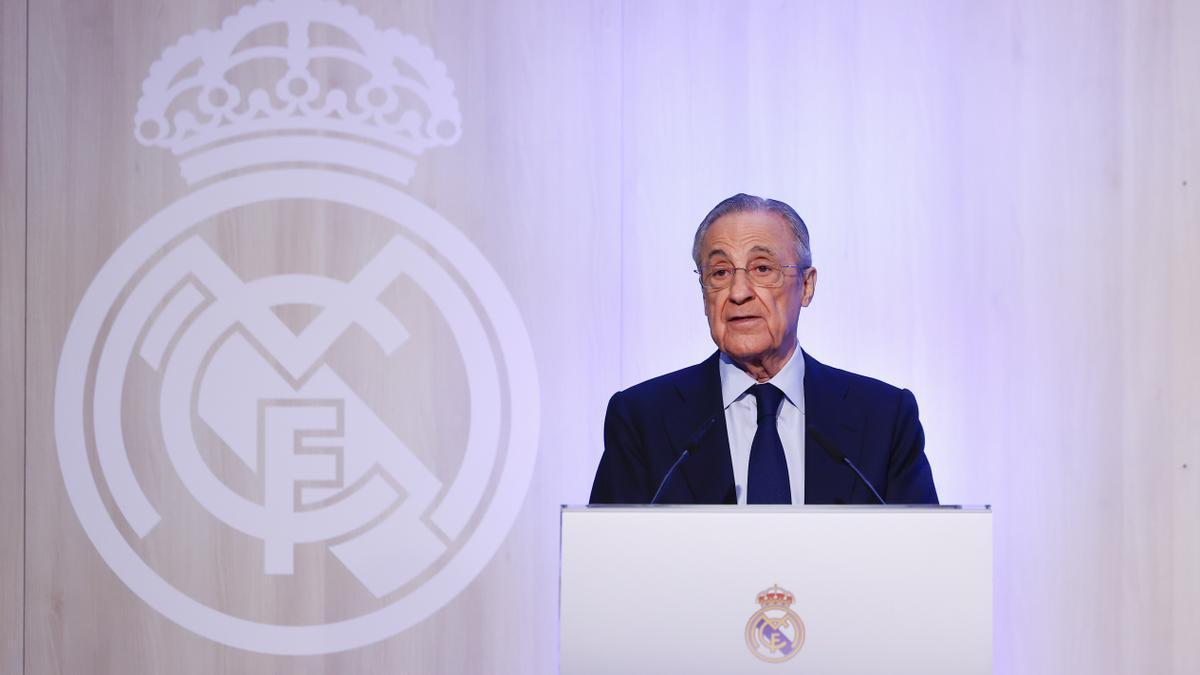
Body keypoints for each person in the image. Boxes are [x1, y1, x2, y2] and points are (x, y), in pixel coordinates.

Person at [589, 193, 938, 505]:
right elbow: (608, 566)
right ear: (704, 291)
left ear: (806, 286)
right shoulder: (641, 420)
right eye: (721, 272)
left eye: (762, 268)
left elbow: (923, 560)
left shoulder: (884, 419)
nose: (738, 292)